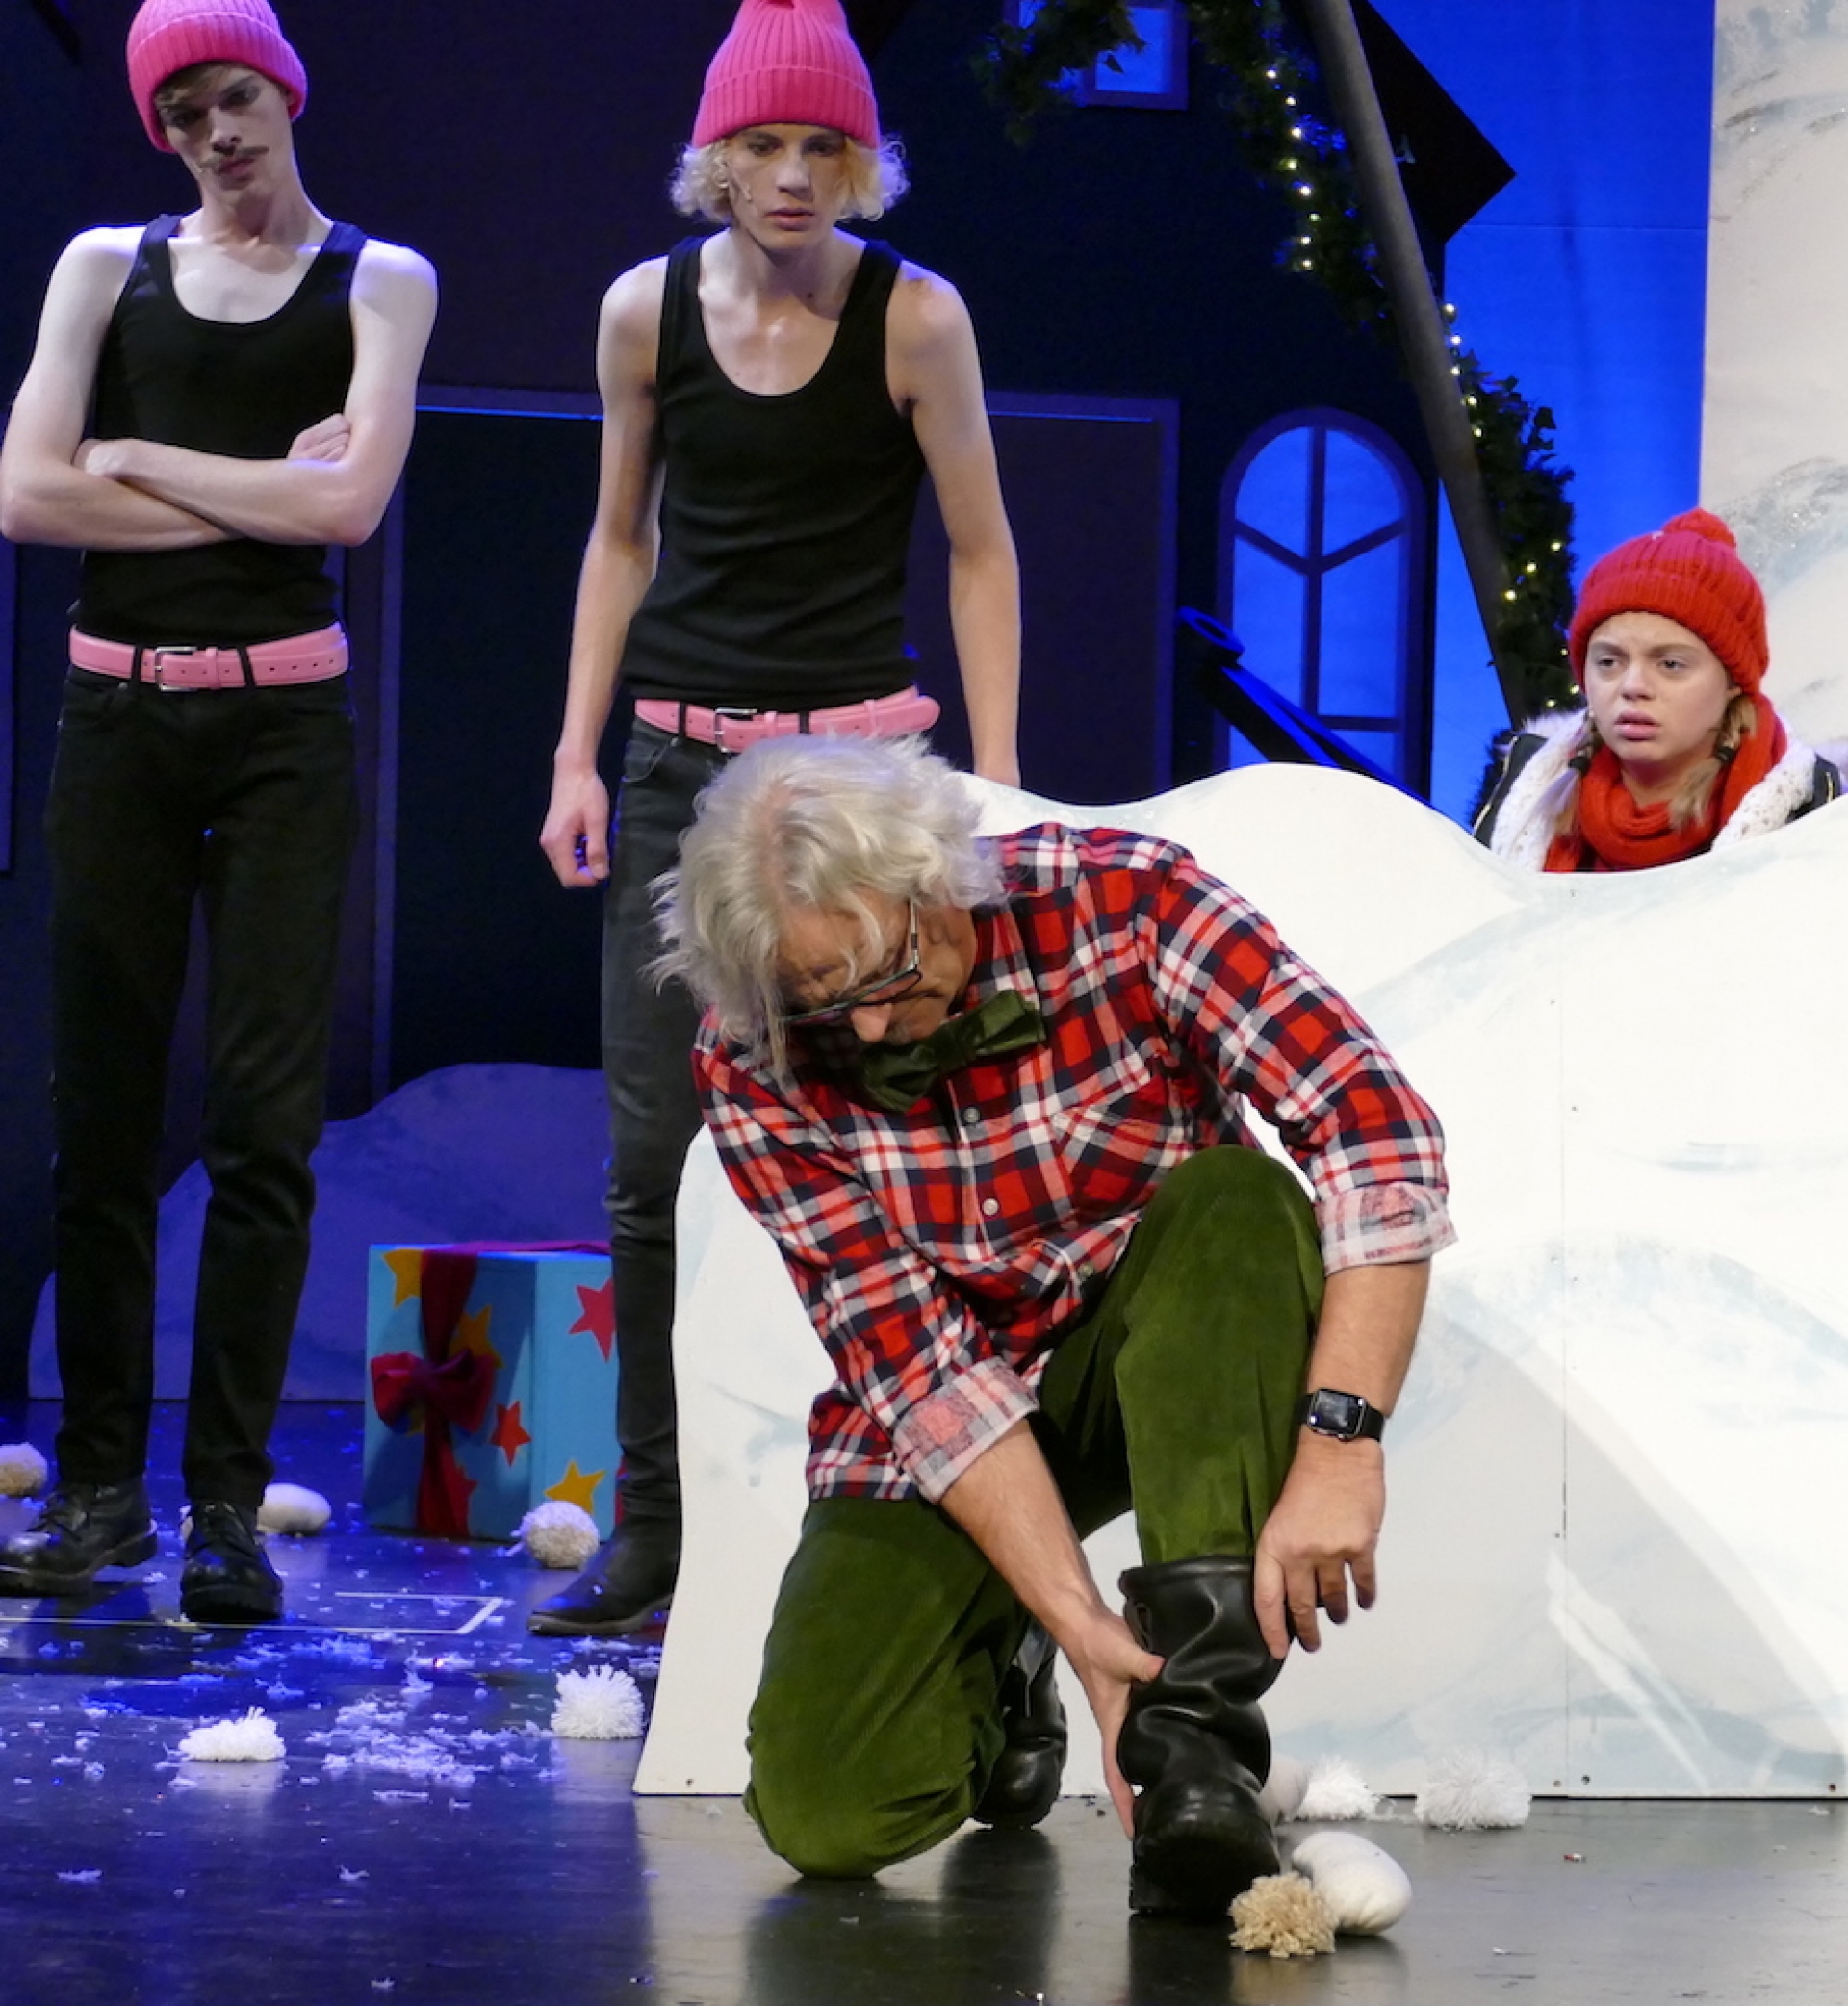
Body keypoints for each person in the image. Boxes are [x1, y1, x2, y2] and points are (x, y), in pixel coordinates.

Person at [653, 734, 1451, 1916]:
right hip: (960, 1411)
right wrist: (1075, 1624)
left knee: (1237, 1201)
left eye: (883, 976)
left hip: (1173, 1358)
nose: (865, 1033)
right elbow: (916, 1367)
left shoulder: (1132, 902)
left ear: (941, 876)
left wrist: (1342, 1440)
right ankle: (1010, 1672)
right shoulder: (750, 1058)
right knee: (828, 1812)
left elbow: (1376, 1129)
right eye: (823, 1002)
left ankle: (1197, 1748)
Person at [531, 0, 1021, 1637]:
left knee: (878, 1139)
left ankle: (891, 1512)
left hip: (857, 784)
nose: (796, 173)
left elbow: (981, 550)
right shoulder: (643, 311)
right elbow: (619, 539)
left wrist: (996, 775)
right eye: (765, 144)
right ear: (716, 157)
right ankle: (657, 1529)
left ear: (863, 162)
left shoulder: (916, 318)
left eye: (826, 146)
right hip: (678, 770)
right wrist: (577, 756)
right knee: (652, 1161)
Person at [0, 0, 436, 1621]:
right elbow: (25, 493)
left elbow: (351, 503)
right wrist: (254, 489)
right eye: (182, 112)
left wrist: (134, 453)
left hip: (282, 727)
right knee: (103, 1120)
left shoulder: (379, 279)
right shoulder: (101, 267)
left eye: (235, 95)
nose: (216, 133)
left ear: (285, 89)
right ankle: (100, 1491)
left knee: (263, 1129)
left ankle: (226, 1512)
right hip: (117, 716)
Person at [1475, 508, 1840, 869]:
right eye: (1609, 662)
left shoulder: (1813, 816)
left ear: (1732, 682)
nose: (1633, 687)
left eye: (1670, 665)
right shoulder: (1523, 794)